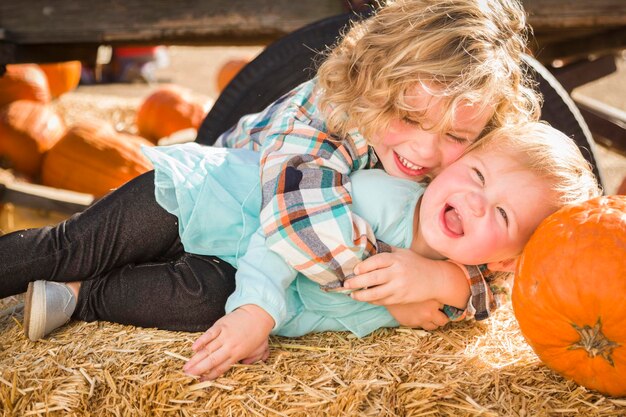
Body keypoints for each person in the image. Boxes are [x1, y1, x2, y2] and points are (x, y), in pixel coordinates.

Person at [3, 122, 600, 382]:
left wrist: (441, 283)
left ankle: (83, 299)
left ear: (505, 259)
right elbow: (282, 237)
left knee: (201, 305)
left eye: (499, 213)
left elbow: (484, 303)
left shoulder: (461, 285)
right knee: (72, 245)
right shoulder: (384, 198)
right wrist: (258, 312)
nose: (472, 200)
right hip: (207, 201)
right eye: (474, 173)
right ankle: (58, 272)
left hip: (228, 266)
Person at [210, 0, 542, 327]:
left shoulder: (475, 172)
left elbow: (499, 269)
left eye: (454, 136)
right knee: (208, 291)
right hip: (218, 207)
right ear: (372, 80)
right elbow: (299, 222)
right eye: (409, 118)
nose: (425, 152)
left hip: (272, 257)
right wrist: (396, 291)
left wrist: (439, 279)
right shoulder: (329, 110)